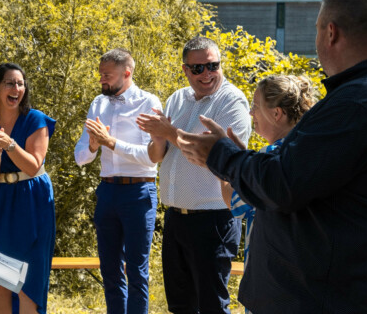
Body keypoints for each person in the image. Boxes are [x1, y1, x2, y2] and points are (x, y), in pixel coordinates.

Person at [177, 0, 367, 313]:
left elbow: (282, 185)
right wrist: (242, 157)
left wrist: (221, 155)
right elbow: (304, 176)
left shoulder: (361, 103)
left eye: (316, 30)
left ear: (331, 33)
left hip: (326, 298)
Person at [136, 36, 252, 314]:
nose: (207, 74)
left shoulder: (232, 101)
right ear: (185, 70)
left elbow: (215, 154)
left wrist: (169, 132)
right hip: (176, 218)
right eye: (198, 68)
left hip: (213, 220)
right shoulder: (177, 97)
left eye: (213, 65)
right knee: (180, 306)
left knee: (212, 305)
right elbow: (158, 155)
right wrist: (157, 137)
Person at [74, 48, 161, 314]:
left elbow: (151, 158)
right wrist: (91, 144)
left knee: (136, 271)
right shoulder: (98, 104)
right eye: (100, 74)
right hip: (107, 192)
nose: (102, 80)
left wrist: (111, 142)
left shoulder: (149, 103)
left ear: (127, 73)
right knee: (109, 269)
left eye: (107, 75)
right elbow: (80, 158)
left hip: (139, 192)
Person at [219, 75, 316, 314]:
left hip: (270, 282)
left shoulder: (271, 155)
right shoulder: (309, 149)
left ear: (277, 114)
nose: (251, 113)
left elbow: (232, 199)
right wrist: (244, 161)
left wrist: (223, 160)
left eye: (255, 106)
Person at [0, 63, 56, 314]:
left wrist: (10, 145)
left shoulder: (35, 119)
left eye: (20, 84)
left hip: (33, 199)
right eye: (9, 83)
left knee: (29, 277)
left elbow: (33, 166)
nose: (16, 88)